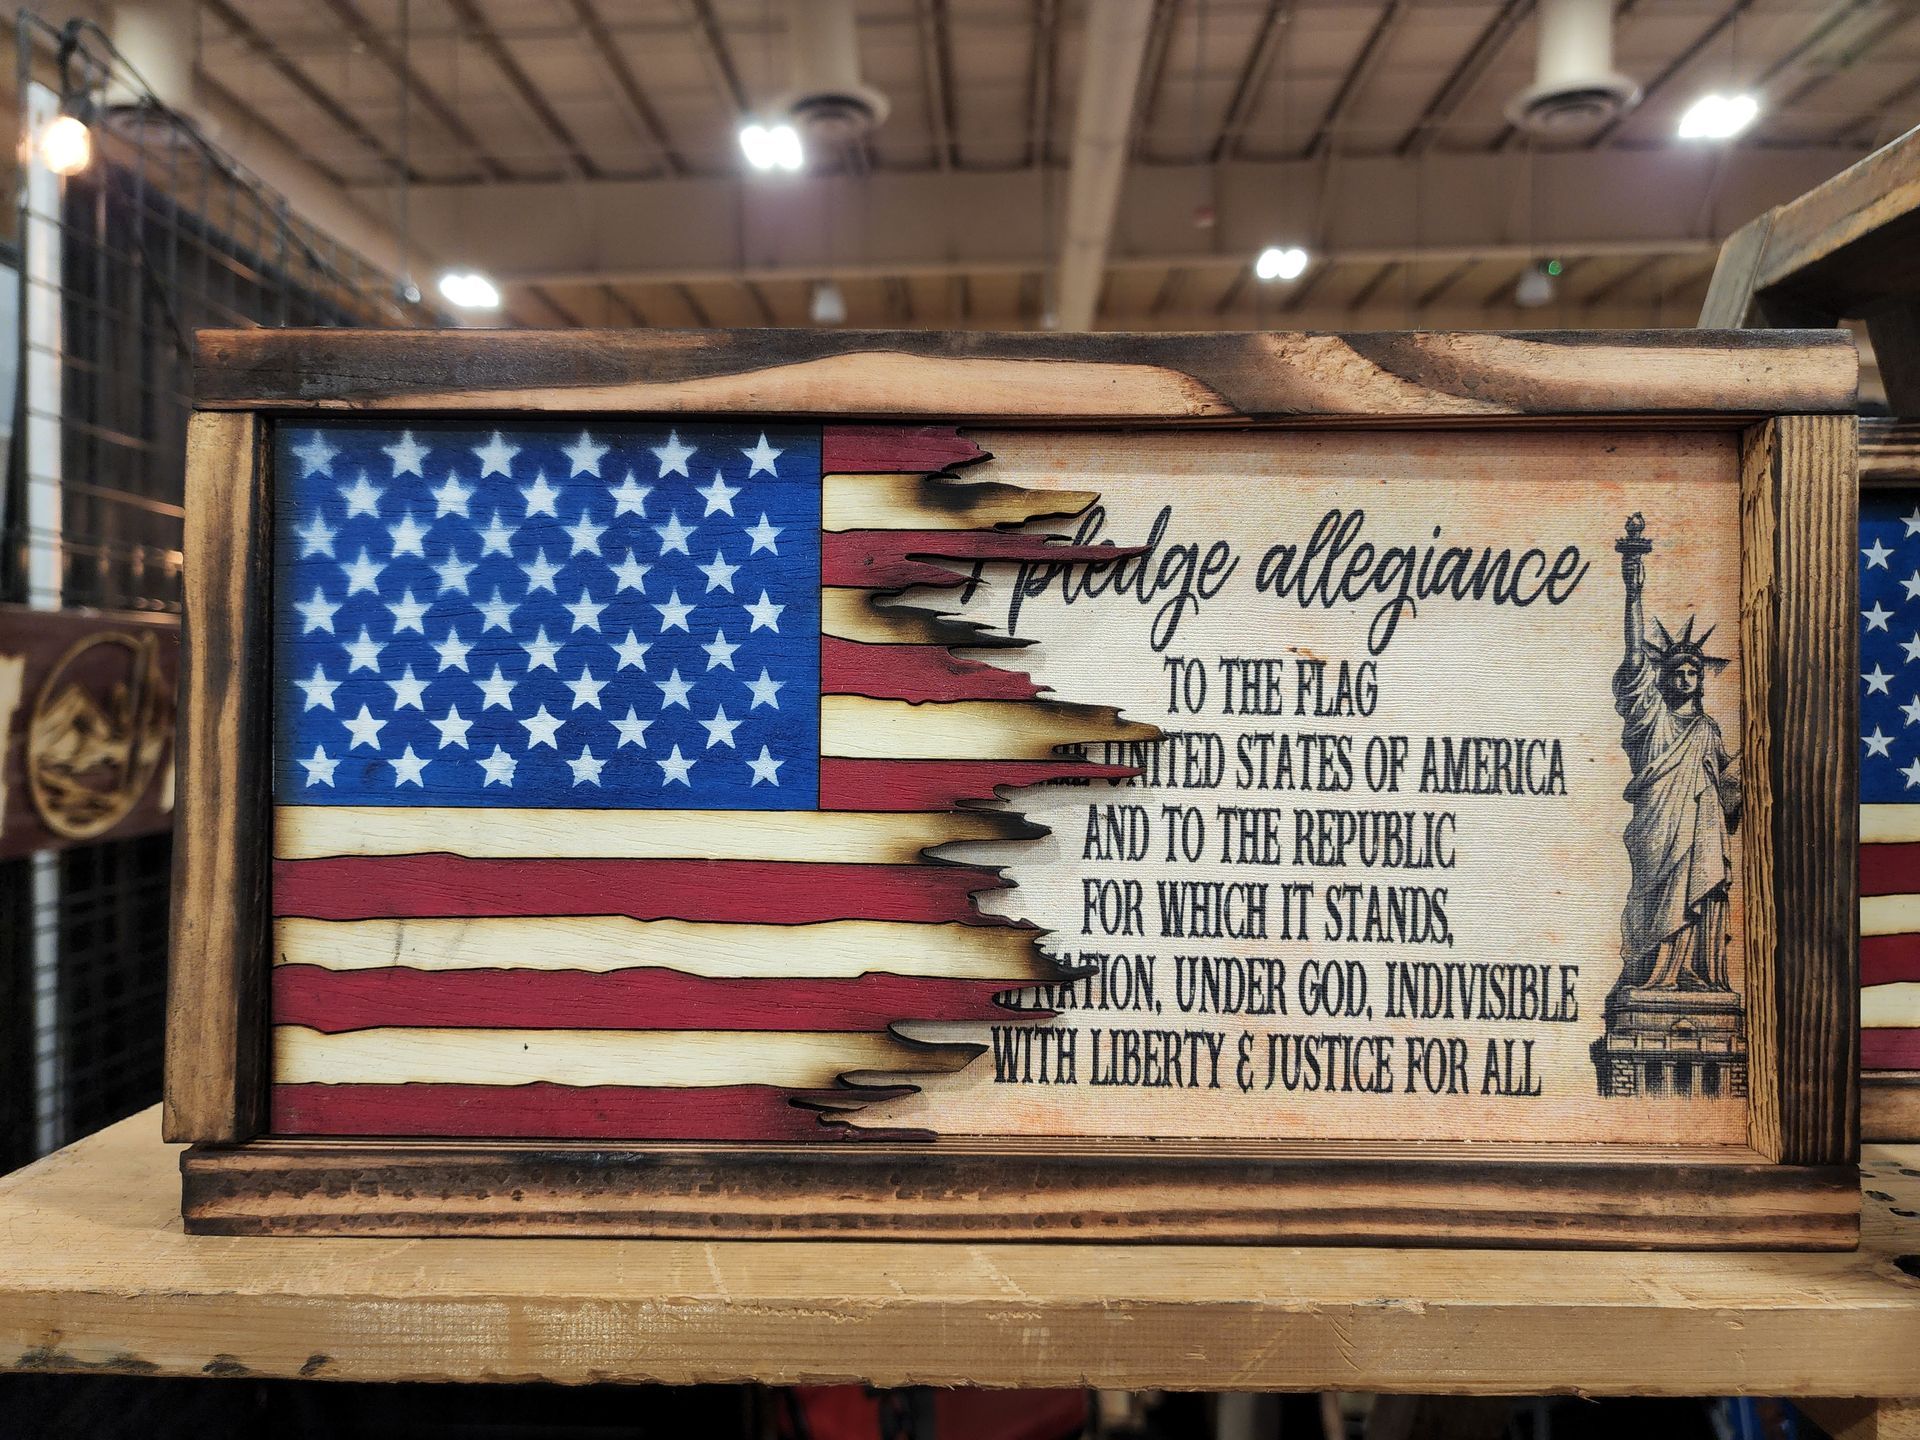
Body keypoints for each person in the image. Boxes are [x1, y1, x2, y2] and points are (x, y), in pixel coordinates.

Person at [1613, 513, 1741, 991]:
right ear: (1662, 678)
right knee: (1653, 898)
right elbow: (1632, 655)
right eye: (1677, 673)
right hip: (1658, 828)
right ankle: (1653, 971)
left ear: (1700, 679)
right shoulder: (1651, 719)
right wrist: (1633, 592)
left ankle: (1695, 973)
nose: (1685, 679)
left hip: (1701, 834)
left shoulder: (1708, 730)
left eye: (1693, 673)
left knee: (1701, 887)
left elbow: (1728, 790)